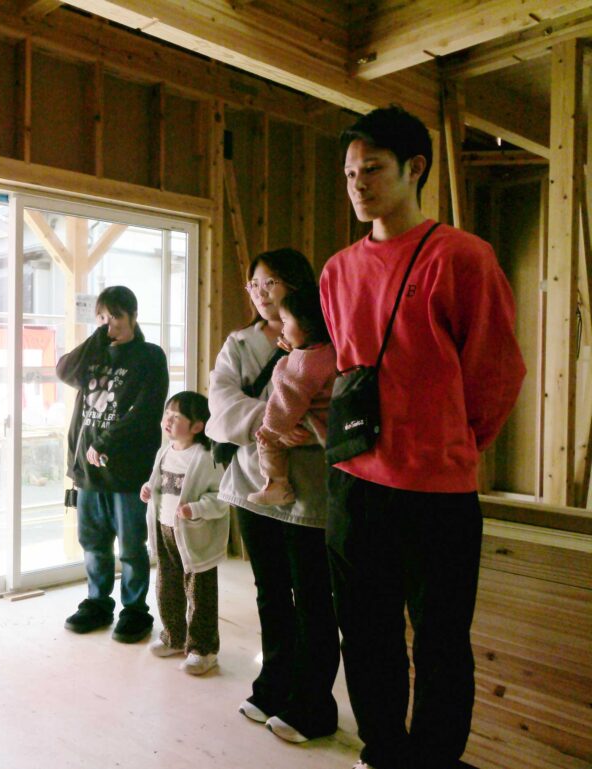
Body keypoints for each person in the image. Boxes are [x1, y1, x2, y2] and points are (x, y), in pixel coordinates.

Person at [321, 105, 525, 769]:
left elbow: (496, 372)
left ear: (415, 168)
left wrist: (453, 444)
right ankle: (384, 751)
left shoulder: (462, 258)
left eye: (372, 169)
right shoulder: (337, 271)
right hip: (354, 481)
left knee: (440, 643)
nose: (357, 184)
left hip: (437, 490)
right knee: (365, 633)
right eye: (350, 173)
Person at [206, 248, 340, 745]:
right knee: (270, 591)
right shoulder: (239, 343)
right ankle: (274, 686)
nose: (261, 293)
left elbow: (343, 399)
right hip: (251, 483)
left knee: (313, 596)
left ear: (297, 285)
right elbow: (221, 407)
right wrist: (279, 423)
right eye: (255, 285)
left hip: (311, 489)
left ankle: (314, 704)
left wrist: (302, 422)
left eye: (272, 283)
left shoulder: (330, 337)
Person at [56, 285, 169, 644]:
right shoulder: (95, 353)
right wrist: (97, 338)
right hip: (88, 470)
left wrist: (105, 442)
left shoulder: (150, 356)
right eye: (102, 317)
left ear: (134, 316)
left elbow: (146, 411)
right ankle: (97, 603)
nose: (109, 324)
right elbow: (64, 370)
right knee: (93, 542)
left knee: (132, 546)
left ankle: (135, 610)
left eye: (116, 317)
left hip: (128, 469)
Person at [140, 391, 228, 675]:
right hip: (165, 531)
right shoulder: (164, 452)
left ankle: (204, 650)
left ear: (197, 426)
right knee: (167, 586)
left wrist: (196, 509)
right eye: (167, 414)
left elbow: (222, 497)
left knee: (200, 594)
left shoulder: (206, 457)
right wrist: (147, 490)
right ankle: (174, 636)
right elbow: (158, 485)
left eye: (177, 417)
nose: (168, 420)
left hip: (195, 539)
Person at [246, 289, 336, 507]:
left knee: (266, 442)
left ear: (305, 325)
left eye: (286, 322)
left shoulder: (302, 364)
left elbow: (286, 403)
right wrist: (295, 350)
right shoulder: (330, 349)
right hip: (329, 421)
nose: (282, 329)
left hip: (311, 425)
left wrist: (271, 430)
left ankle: (277, 485)